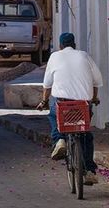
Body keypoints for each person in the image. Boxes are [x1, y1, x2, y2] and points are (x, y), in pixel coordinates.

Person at [37, 32, 102, 185]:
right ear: (74, 45)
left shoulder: (54, 57)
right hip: (82, 104)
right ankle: (90, 171)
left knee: (54, 115)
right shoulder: (84, 56)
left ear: (60, 46)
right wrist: (94, 98)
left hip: (62, 103)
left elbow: (47, 85)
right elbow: (97, 81)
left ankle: (59, 140)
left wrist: (44, 101)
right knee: (86, 134)